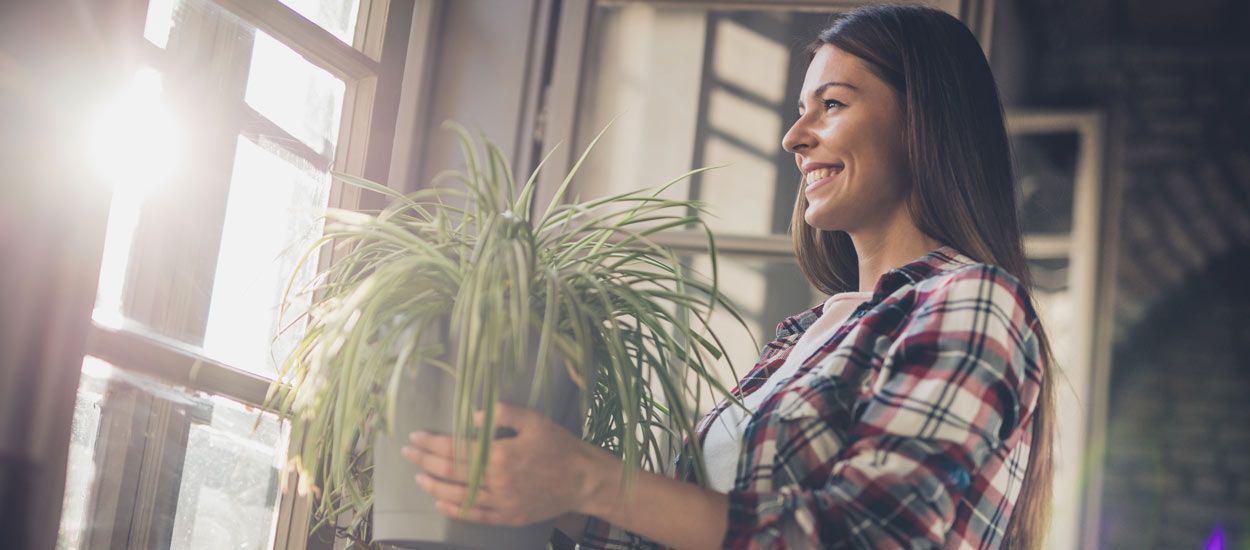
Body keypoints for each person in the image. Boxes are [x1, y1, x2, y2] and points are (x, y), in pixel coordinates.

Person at [400, 3, 1056, 548]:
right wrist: (531, 478)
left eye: (831, 104)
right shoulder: (809, 331)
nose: (793, 137)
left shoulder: (973, 302)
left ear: (923, 122)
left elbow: (865, 538)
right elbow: (689, 531)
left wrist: (587, 480)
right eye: (800, 109)